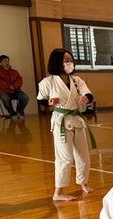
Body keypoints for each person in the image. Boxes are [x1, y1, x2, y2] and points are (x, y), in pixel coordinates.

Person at [37, 48, 95, 201]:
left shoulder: (76, 80)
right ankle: (58, 192)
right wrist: (49, 102)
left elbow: (88, 93)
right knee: (65, 157)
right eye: (66, 60)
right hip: (61, 121)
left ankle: (83, 183)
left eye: (71, 60)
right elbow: (41, 100)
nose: (70, 63)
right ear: (57, 62)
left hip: (77, 120)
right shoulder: (48, 82)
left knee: (83, 156)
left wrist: (86, 98)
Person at [0, 54, 29, 119]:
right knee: (5, 98)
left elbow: (20, 80)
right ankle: (12, 113)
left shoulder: (15, 72)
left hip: (16, 90)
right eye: (4, 61)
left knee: (25, 98)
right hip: (4, 91)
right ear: (0, 62)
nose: (7, 63)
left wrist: (14, 86)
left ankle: (19, 111)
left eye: (8, 61)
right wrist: (9, 86)